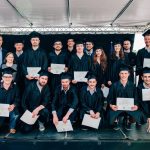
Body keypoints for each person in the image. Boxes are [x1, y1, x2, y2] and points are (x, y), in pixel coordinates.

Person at [107, 65, 144, 130]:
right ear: (119, 74)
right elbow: (110, 98)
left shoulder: (132, 85)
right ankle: (116, 120)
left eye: (125, 73)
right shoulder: (114, 85)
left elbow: (136, 98)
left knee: (139, 113)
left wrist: (136, 106)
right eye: (122, 73)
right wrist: (111, 105)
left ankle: (128, 120)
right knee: (110, 113)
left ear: (129, 74)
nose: (123, 75)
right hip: (117, 107)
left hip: (129, 108)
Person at [0, 67, 20, 134]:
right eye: (5, 77)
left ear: (12, 78)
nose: (7, 78)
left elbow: (17, 98)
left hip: (10, 108)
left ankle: (12, 127)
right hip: (0, 109)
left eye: (9, 77)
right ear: (2, 78)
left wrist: (13, 105)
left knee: (15, 114)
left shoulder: (15, 88)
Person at [137, 67, 150, 132]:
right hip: (143, 108)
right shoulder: (139, 88)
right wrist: (148, 116)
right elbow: (142, 103)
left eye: (149, 76)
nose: (147, 79)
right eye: (145, 77)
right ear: (142, 78)